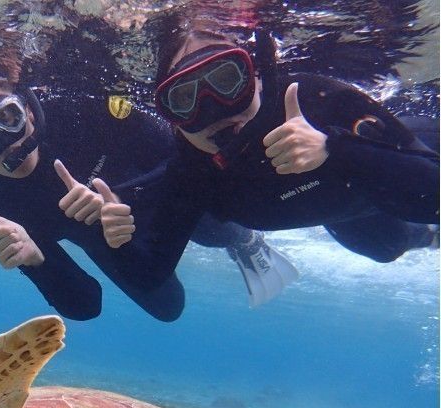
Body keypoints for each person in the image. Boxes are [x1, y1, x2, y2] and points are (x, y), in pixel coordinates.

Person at [0, 66, 299, 320]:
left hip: (158, 190)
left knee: (218, 228)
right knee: (169, 308)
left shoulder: (82, 109)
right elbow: (86, 305)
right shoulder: (1, 216)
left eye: (7, 118)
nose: (4, 143)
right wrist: (35, 261)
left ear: (28, 108)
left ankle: (243, 241)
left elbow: (177, 154)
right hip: (103, 239)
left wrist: (125, 198)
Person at [99, 26, 439, 269]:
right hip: (346, 208)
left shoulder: (318, 102)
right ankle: (428, 238)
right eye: (185, 98)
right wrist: (116, 240)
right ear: (171, 117)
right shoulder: (194, 173)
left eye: (226, 80)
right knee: (386, 248)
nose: (214, 108)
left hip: (397, 163)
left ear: (258, 76)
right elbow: (150, 272)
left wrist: (335, 149)